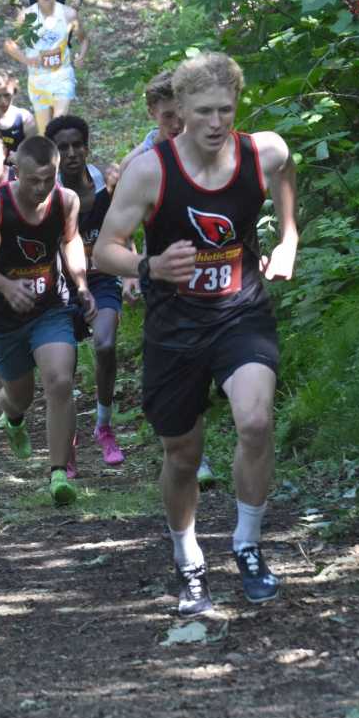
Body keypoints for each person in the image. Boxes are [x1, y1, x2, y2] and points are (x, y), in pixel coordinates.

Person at [94, 52, 298, 617]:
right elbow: (104, 248)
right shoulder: (151, 170)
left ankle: (248, 545)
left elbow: (286, 171)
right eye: (203, 111)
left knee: (255, 421)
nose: (215, 123)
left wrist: (287, 238)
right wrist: (149, 267)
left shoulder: (262, 151)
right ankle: (188, 559)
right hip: (175, 324)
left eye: (225, 110)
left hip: (240, 312)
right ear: (178, 110)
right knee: (182, 455)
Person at [0, 135, 97, 507]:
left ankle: (58, 474)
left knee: (60, 380)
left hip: (50, 309)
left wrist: (81, 285)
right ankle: (13, 416)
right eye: (33, 180)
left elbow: (70, 241)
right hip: (3, 317)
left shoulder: (66, 201)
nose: (40, 188)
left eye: (48, 179)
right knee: (20, 396)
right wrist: (5, 286)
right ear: (18, 171)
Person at [118, 71, 215, 488]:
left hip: (211, 269)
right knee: (179, 366)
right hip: (164, 277)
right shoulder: (140, 164)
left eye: (182, 115)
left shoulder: (207, 148)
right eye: (168, 117)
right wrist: (132, 273)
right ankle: (192, 456)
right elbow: (120, 231)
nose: (177, 126)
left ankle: (194, 447)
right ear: (152, 113)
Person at [45, 114, 125, 473]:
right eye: (63, 147)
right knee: (66, 368)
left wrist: (132, 273)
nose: (72, 152)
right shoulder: (46, 190)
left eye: (78, 145)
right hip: (60, 287)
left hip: (103, 279)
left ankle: (104, 425)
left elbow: (124, 228)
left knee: (106, 345)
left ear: (87, 147)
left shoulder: (107, 186)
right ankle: (68, 442)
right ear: (53, 154)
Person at [4, 0, 88, 134]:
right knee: (44, 133)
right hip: (38, 79)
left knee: (57, 125)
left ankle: (61, 157)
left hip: (62, 75)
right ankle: (50, 158)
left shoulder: (69, 14)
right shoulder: (26, 16)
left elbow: (84, 39)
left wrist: (81, 56)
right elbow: (9, 43)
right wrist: (27, 60)